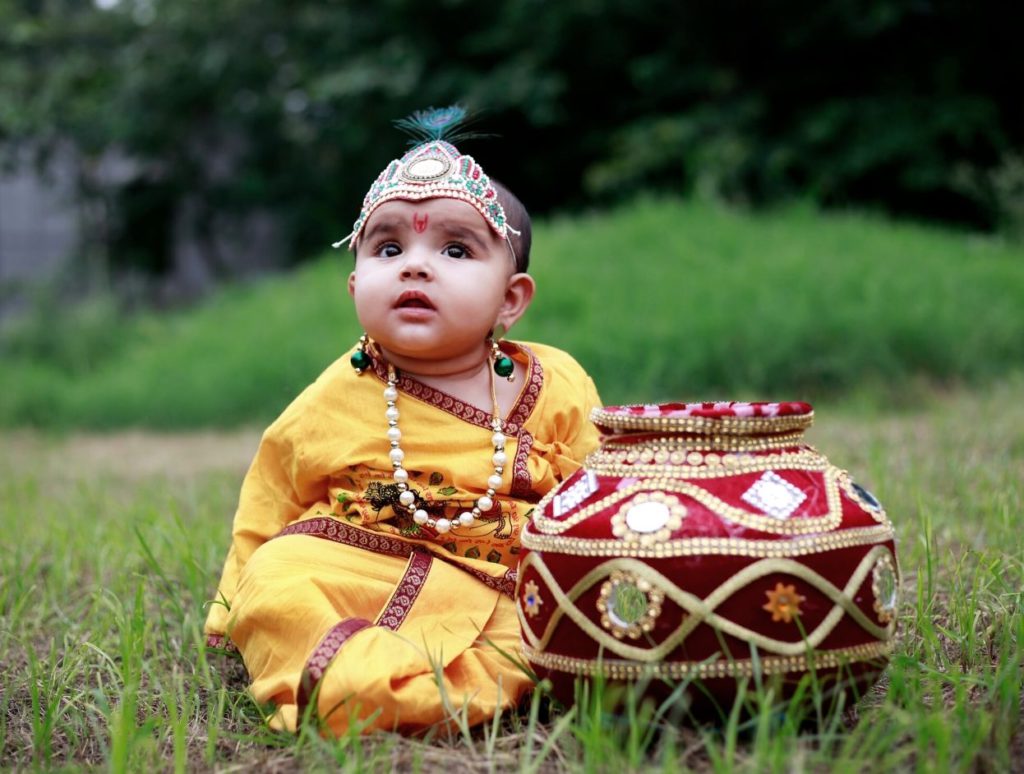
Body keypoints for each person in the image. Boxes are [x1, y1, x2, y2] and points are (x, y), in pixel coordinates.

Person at [204, 106, 602, 735]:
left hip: (502, 577)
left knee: (544, 623)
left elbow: (599, 489)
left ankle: (426, 688)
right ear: (356, 283)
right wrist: (233, 604)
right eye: (389, 247)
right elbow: (270, 497)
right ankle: (356, 679)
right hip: (355, 560)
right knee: (278, 578)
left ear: (510, 300)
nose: (415, 265)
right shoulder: (336, 393)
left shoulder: (555, 384)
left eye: (454, 248)